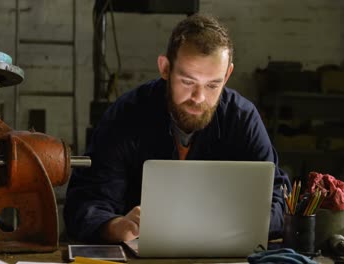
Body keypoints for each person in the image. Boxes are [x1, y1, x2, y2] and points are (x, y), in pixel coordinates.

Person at [64, 14, 290, 243]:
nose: (199, 98)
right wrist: (115, 226)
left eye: (213, 85)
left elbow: (279, 199)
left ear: (227, 74)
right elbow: (85, 202)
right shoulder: (127, 115)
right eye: (188, 82)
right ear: (165, 68)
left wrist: (238, 223)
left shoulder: (242, 118)